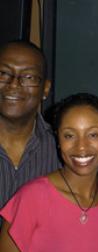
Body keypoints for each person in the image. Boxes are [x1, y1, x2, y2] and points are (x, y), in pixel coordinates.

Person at [0, 93, 98, 252]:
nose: (81, 147)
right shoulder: (34, 196)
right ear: (58, 139)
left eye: (93, 135)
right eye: (69, 135)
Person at [0, 40, 59, 210]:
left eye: (29, 77)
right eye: (3, 73)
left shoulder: (62, 148)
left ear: (45, 89)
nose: (13, 84)